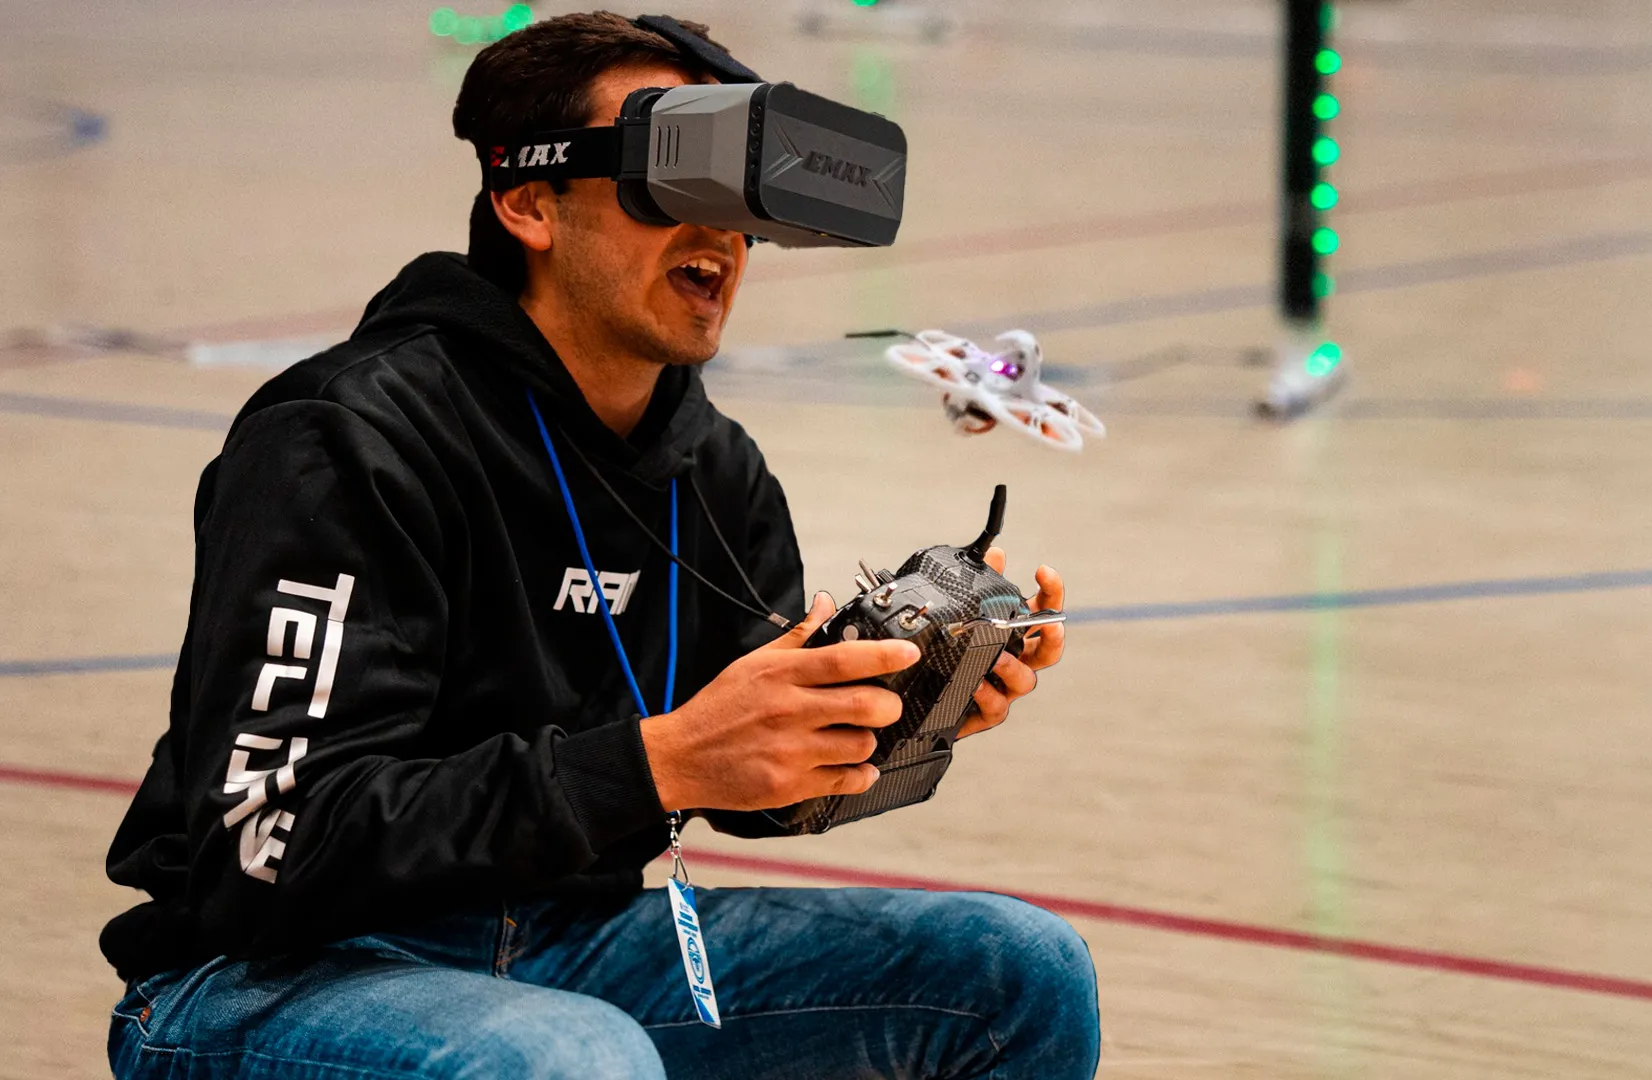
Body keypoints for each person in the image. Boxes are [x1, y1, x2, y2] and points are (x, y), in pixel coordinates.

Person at [100, 13, 1098, 1078]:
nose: (718, 234)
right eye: (672, 178)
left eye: (735, 198)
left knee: (1015, 972)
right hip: (276, 971)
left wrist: (887, 717)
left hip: (570, 947)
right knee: (572, 1058)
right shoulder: (351, 436)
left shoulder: (712, 465)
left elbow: (745, 785)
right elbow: (273, 846)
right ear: (528, 200)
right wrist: (653, 761)